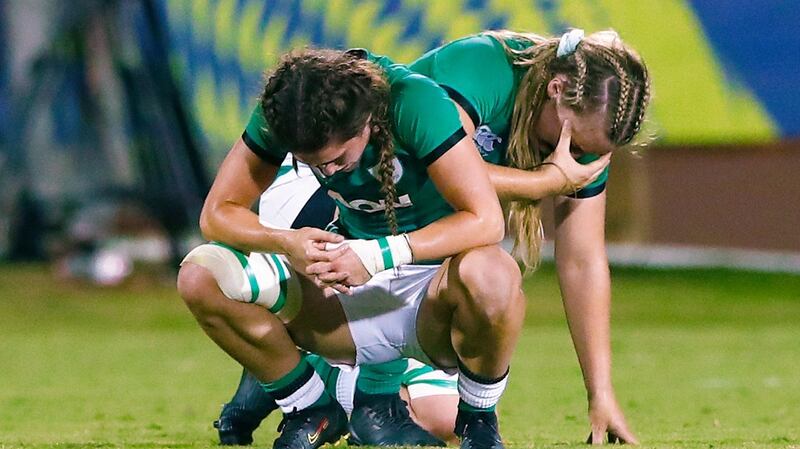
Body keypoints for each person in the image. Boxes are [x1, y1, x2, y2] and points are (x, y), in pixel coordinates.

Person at [206, 27, 650, 446]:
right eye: (577, 142)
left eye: (593, 153)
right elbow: (438, 176)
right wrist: (543, 183)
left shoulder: (577, 150)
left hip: (409, 237)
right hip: (333, 193)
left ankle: (318, 377)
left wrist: (601, 391)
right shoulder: (484, 68)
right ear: (555, 91)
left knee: (441, 416)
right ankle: (302, 377)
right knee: (310, 281)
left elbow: (583, 261)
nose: (580, 159)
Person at [177, 45, 524, 449]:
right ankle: (306, 405)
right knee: (202, 274)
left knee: (492, 274)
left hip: (433, 297)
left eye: (337, 158)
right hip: (344, 294)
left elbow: (487, 220)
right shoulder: (288, 110)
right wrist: (286, 242)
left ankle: (479, 419)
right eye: (311, 163)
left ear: (367, 124)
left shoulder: (415, 101)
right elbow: (217, 214)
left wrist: (377, 254)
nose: (326, 172)